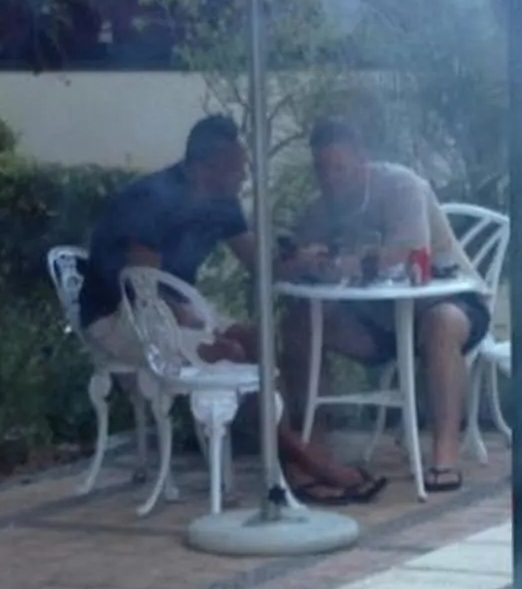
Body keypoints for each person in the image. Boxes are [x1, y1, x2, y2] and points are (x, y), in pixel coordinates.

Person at [80, 114, 384, 505]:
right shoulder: (151, 200)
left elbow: (262, 266)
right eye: (237, 168)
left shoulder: (221, 204)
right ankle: (303, 462)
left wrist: (305, 261)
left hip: (178, 307)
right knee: (231, 356)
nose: (243, 176)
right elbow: (143, 288)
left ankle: (289, 461)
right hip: (117, 315)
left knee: (256, 342)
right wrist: (195, 325)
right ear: (206, 167)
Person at [283, 118, 491, 494]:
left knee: (441, 323)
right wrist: (304, 259)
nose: (330, 178)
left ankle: (444, 456)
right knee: (299, 322)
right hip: (378, 323)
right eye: (321, 169)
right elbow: (292, 256)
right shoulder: (320, 209)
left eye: (338, 168)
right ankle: (316, 449)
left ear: (362, 161)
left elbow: (407, 254)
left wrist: (342, 259)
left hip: (447, 300)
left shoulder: (401, 186)